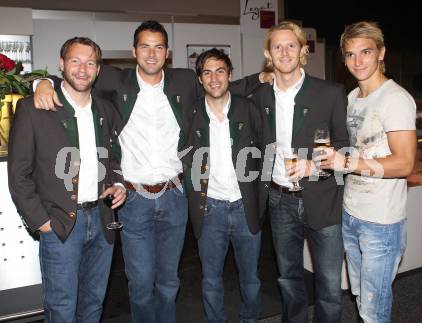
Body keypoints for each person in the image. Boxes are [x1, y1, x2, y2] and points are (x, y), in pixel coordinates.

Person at [32, 20, 264, 323]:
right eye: (145, 46)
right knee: (140, 283)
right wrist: (42, 83)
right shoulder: (116, 80)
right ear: (134, 51)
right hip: (133, 199)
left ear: (167, 53)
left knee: (169, 281)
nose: (152, 54)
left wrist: (261, 76)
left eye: (158, 47)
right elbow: (76, 74)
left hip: (175, 195)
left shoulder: (183, 81)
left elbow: (221, 84)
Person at [8, 37, 126, 322]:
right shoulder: (32, 109)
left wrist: (119, 184)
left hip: (101, 222)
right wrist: (42, 222)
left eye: (90, 62)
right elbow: (19, 174)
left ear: (98, 69)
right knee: (61, 309)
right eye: (75, 61)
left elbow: (114, 158)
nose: (82, 69)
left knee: (93, 305)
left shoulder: (105, 110)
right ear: (61, 65)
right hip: (59, 226)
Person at [251, 21, 349, 323]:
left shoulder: (330, 93)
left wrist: (316, 165)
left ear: (303, 50)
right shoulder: (260, 96)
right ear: (268, 54)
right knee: (289, 279)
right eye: (277, 46)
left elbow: (345, 148)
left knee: (330, 285)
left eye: (291, 45)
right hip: (280, 201)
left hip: (323, 197)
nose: (284, 52)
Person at [319, 21, 417, 323]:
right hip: (352, 214)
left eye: (365, 52)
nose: (357, 61)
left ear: (381, 53)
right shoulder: (350, 99)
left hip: (382, 222)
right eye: (350, 54)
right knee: (361, 297)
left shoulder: (395, 99)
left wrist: (346, 163)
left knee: (374, 309)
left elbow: (404, 163)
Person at [182, 48, 265, 323]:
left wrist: (260, 201)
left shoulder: (248, 109)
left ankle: (250, 319)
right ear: (200, 79)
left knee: (251, 278)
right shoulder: (191, 113)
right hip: (209, 209)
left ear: (230, 75)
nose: (214, 78)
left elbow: (266, 152)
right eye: (207, 72)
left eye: (220, 71)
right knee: (211, 279)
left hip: (245, 207)